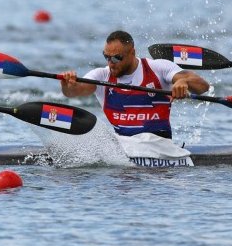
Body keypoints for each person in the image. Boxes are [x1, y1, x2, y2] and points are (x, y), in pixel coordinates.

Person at [60, 30, 209, 157]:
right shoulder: (101, 76)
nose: (110, 63)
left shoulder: (158, 68)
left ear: (132, 52)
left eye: (116, 58)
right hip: (123, 148)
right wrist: (68, 85)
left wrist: (183, 82)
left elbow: (203, 86)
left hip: (160, 148)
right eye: (106, 57)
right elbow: (74, 91)